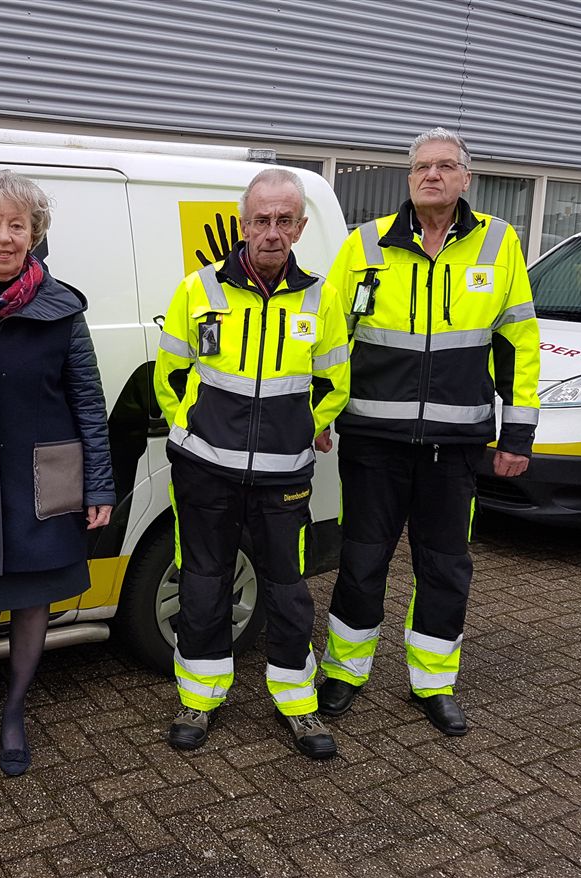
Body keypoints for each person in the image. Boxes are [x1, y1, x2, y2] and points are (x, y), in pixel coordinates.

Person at [317, 127, 540, 736]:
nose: (432, 175)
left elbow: (518, 345)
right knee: (362, 560)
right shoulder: (364, 245)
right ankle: (345, 670)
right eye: (421, 167)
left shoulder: (499, 244)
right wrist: (321, 416)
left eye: (445, 166)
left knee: (444, 565)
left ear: (467, 177)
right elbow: (330, 339)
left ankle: (433, 682)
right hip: (372, 442)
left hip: (457, 445)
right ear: (408, 178)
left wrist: (517, 437)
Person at [153, 168, 350, 759]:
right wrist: (191, 428)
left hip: (284, 474)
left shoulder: (323, 296)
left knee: (288, 590)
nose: (271, 231)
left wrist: (305, 426)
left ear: (300, 226)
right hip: (204, 469)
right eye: (261, 220)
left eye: (283, 220)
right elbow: (171, 375)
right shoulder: (199, 289)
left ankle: (297, 703)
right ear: (244, 225)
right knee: (204, 584)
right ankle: (200, 696)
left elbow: (334, 381)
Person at [0, 169, 114, 777]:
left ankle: (13, 714)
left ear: (35, 233)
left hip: (44, 481)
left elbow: (88, 398)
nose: (5, 236)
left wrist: (100, 485)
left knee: (34, 611)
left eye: (18, 225)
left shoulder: (62, 308)